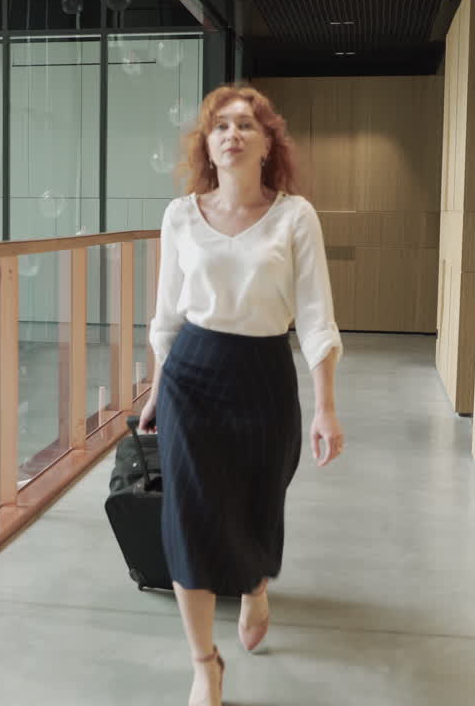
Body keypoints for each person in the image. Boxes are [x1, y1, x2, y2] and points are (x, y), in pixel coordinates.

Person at [139, 84, 345, 706]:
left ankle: (254, 582)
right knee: (189, 519)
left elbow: (315, 316)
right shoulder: (180, 216)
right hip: (191, 376)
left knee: (257, 503)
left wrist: (327, 406)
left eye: (245, 126)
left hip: (263, 373)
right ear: (208, 145)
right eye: (220, 126)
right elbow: (166, 316)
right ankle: (205, 662)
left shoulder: (294, 216)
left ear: (266, 145)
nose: (231, 134)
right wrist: (155, 388)